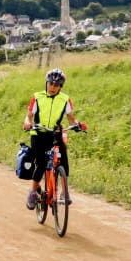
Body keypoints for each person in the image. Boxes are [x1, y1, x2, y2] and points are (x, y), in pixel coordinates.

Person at [21, 68, 86, 209]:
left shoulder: (65, 100)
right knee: (42, 163)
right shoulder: (37, 97)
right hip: (38, 133)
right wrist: (27, 123)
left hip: (55, 133)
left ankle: (64, 193)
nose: (52, 87)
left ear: (60, 87)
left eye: (56, 85)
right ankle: (32, 192)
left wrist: (77, 125)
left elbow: (71, 119)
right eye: (50, 83)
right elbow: (29, 115)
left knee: (63, 160)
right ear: (47, 83)